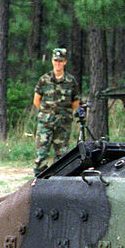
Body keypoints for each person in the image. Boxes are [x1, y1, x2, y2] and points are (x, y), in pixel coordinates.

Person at [32, 47, 80, 175]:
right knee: (41, 154)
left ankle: (58, 181)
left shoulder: (71, 81)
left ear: (65, 62)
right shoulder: (44, 80)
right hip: (45, 123)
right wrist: (47, 113)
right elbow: (37, 101)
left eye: (60, 61)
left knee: (62, 156)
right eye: (55, 60)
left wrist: (63, 114)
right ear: (52, 61)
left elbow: (75, 103)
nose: (58, 63)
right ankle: (40, 179)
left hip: (63, 124)